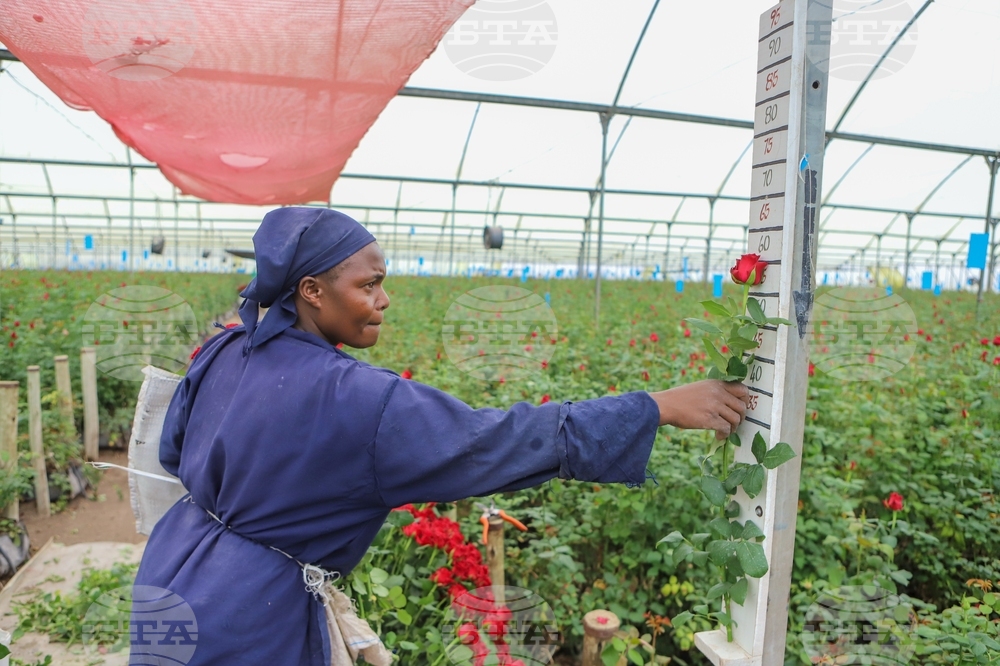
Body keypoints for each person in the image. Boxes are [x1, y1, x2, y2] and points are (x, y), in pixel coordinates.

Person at [132, 207, 749, 665]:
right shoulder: (360, 399)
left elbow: (172, 451)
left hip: (172, 569)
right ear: (311, 292)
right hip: (251, 618)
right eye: (367, 285)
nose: (384, 299)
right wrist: (654, 408)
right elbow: (502, 440)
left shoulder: (225, 347)